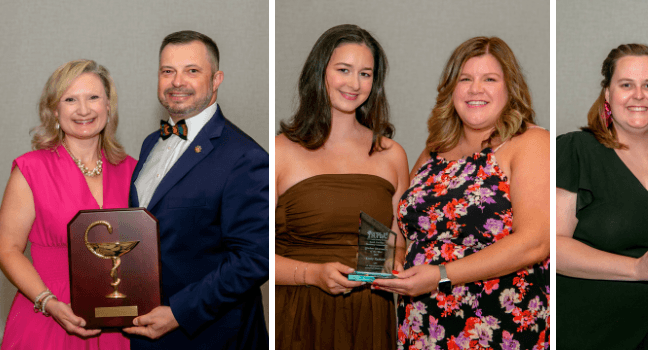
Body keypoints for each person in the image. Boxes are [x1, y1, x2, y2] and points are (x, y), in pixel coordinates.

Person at [371, 36, 550, 349]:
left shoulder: (530, 143)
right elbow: (403, 229)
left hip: (499, 325)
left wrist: (441, 274)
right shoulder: (433, 151)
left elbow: (534, 242)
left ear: (510, 89)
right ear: (451, 89)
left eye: (489, 79)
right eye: (465, 79)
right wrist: (392, 264)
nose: (475, 89)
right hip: (421, 323)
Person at [555, 43, 648, 350]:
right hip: (585, 335)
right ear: (608, 94)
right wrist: (637, 269)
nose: (638, 95)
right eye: (626, 85)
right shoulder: (576, 151)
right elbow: (554, 246)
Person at [121, 30, 268, 348]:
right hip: (147, 332)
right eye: (167, 71)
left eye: (192, 70)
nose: (177, 82)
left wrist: (178, 312)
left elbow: (254, 258)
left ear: (216, 79)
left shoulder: (245, 157)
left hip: (211, 335)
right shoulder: (150, 144)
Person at [274, 24, 408, 349]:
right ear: (320, 73)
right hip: (302, 313)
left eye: (365, 73)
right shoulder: (281, 151)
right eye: (343, 70)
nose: (354, 83)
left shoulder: (392, 154)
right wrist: (312, 274)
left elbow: (397, 238)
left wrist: (397, 264)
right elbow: (251, 254)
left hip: (372, 313)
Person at [0, 60, 134, 349]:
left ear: (108, 106)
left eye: (93, 98)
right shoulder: (30, 170)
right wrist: (48, 302)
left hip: (119, 322)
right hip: (47, 316)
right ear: (54, 110)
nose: (83, 109)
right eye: (70, 99)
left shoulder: (134, 170)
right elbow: (7, 248)